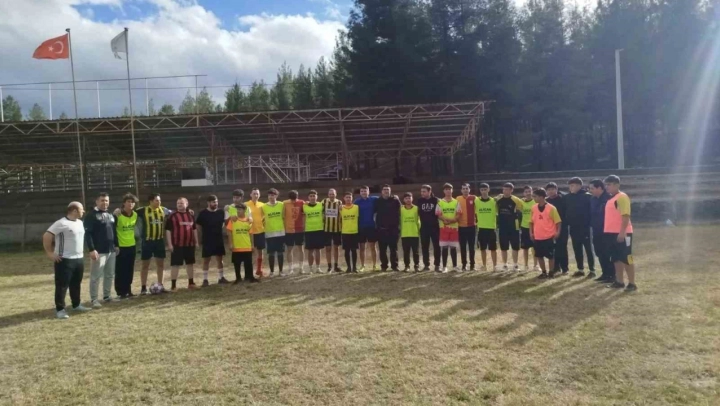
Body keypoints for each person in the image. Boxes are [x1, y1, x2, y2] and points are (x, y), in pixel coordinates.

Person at [44, 202, 91, 319]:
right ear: (74, 210)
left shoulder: (80, 222)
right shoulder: (61, 223)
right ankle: (60, 309)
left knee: (76, 283)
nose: (83, 211)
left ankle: (76, 304)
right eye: (81, 209)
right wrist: (50, 253)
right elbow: (47, 236)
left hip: (78, 259)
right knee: (62, 285)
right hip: (64, 259)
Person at [130, 193, 172, 295]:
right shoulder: (142, 210)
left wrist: (189, 211)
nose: (159, 202)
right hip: (147, 242)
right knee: (145, 265)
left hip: (159, 241)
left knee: (160, 264)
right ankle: (143, 288)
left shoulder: (164, 210)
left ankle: (161, 285)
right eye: (157, 200)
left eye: (160, 200)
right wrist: (118, 211)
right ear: (151, 201)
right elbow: (129, 212)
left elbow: (175, 213)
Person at [603, 175, 637, 292]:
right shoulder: (611, 198)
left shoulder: (622, 197)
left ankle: (632, 283)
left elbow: (625, 215)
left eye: (609, 184)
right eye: (606, 185)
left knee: (626, 258)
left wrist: (622, 232)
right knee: (616, 258)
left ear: (616, 185)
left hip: (622, 233)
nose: (607, 187)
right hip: (611, 233)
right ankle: (619, 281)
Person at [84, 192, 117, 308]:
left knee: (109, 274)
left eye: (106, 200)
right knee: (96, 276)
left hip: (111, 250)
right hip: (99, 251)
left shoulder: (110, 215)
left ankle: (107, 296)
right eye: (102, 200)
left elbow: (113, 231)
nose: (105, 202)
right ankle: (94, 299)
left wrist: (116, 245)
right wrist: (92, 249)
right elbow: (87, 234)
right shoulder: (91, 215)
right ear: (97, 201)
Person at [165, 197, 199, 291]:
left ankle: (191, 283)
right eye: (178, 203)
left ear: (186, 204)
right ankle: (173, 286)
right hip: (177, 245)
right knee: (175, 264)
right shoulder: (172, 216)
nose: (179, 205)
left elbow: (194, 229)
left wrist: (196, 242)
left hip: (189, 244)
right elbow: (168, 230)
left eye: (181, 203)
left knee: (190, 263)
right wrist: (170, 244)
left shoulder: (190, 215)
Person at [196, 195, 229, 286]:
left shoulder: (220, 212)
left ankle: (221, 278)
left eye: (216, 202)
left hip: (218, 239)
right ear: (208, 203)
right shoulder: (203, 213)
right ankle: (205, 280)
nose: (216, 203)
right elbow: (198, 225)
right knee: (206, 260)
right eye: (214, 202)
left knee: (220, 259)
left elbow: (224, 223)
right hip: (207, 239)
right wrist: (203, 233)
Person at [565, 177, 595, 278]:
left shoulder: (587, 196)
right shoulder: (567, 197)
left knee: (588, 248)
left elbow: (592, 211)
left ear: (579, 186)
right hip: (573, 227)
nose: (571, 188)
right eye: (570, 186)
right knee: (577, 248)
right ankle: (580, 269)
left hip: (585, 227)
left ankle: (592, 270)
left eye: (573, 185)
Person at [529, 188, 562, 279]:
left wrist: (558, 232)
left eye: (535, 196)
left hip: (549, 236)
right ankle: (544, 272)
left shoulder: (551, 208)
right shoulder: (533, 208)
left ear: (541, 197)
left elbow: (558, 221)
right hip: (537, 236)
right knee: (539, 255)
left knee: (550, 256)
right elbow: (531, 222)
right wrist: (531, 233)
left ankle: (551, 272)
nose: (533, 198)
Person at [588, 179, 614, 283]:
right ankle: (605, 273)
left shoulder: (609, 198)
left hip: (607, 231)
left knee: (608, 252)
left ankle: (612, 275)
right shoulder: (593, 199)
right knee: (599, 252)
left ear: (599, 188)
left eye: (592, 188)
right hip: (596, 230)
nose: (590, 191)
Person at [114, 193, 138, 298]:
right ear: (124, 203)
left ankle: (128, 290)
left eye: (132, 202)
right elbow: (113, 230)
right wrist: (116, 244)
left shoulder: (135, 214)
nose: (130, 204)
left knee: (129, 269)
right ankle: (121, 292)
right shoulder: (117, 214)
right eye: (128, 201)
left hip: (131, 245)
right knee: (120, 270)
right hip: (121, 247)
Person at [226, 203, 257, 283]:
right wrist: (230, 243)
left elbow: (251, 234)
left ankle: (249, 277)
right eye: (237, 210)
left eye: (240, 209)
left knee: (248, 263)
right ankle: (238, 278)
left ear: (244, 210)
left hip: (247, 246)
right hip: (237, 247)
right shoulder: (233, 220)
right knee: (237, 263)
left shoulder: (248, 221)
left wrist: (252, 245)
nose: (238, 211)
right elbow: (229, 232)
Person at [496, 182, 523, 271]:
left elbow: (520, 210)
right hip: (503, 226)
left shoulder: (516, 200)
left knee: (515, 246)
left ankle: (515, 265)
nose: (505, 191)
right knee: (503, 247)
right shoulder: (498, 199)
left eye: (507, 189)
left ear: (511, 190)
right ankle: (505, 265)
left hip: (514, 226)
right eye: (504, 189)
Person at [374, 184, 401, 271]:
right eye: (384, 189)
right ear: (382, 191)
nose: (386, 191)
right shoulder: (378, 201)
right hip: (381, 229)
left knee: (394, 249)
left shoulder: (395, 200)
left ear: (390, 191)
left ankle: (394, 266)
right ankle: (384, 266)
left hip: (393, 229)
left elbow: (401, 211)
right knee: (382, 250)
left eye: (387, 189)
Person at [436, 183, 461, 272]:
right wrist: (445, 220)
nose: (448, 191)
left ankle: (455, 266)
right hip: (443, 228)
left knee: (453, 248)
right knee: (445, 248)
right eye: (446, 189)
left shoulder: (456, 202)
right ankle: (444, 267)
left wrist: (452, 221)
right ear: (444, 191)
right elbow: (438, 214)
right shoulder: (440, 202)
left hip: (454, 228)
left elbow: (459, 214)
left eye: (449, 189)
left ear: (452, 190)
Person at [262, 188, 286, 276]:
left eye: (272, 195)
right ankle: (272, 272)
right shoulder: (264, 206)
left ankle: (281, 271)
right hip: (269, 233)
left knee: (280, 252)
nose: (271, 197)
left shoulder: (281, 205)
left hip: (280, 233)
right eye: (269, 195)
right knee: (271, 253)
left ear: (276, 196)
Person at [546, 182, 569, 275]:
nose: (551, 191)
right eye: (549, 190)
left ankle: (565, 268)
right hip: (550, 227)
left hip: (562, 226)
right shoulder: (546, 201)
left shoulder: (563, 199)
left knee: (562, 247)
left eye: (552, 189)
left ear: (556, 189)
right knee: (553, 248)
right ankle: (556, 267)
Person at [416, 185, 440, 271]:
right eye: (421, 191)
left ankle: (437, 265)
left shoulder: (436, 200)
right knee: (424, 247)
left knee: (437, 246)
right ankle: (426, 265)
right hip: (424, 227)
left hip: (435, 227)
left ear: (429, 191)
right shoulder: (419, 201)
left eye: (424, 191)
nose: (422, 193)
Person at [475, 183, 498, 272]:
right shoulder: (476, 201)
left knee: (493, 249)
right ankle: (484, 266)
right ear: (480, 191)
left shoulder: (494, 201)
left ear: (488, 189)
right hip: (481, 228)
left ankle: (495, 266)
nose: (484, 191)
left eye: (485, 189)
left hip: (491, 228)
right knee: (483, 249)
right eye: (482, 190)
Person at [355, 185, 378, 271]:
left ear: (368, 192)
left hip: (371, 226)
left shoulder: (374, 199)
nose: (364, 193)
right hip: (361, 227)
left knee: (373, 246)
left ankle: (374, 265)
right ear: (360, 193)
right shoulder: (356, 202)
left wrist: (394, 196)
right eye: (362, 191)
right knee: (362, 247)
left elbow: (384, 197)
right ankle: (362, 265)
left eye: (365, 191)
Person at [456, 183, 478, 271]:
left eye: (466, 188)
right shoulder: (458, 199)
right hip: (461, 227)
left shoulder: (474, 198)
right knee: (463, 247)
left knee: (472, 247)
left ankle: (472, 265)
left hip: (471, 226)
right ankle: (464, 264)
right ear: (461, 190)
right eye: (463, 188)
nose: (465, 190)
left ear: (469, 189)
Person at [245, 188, 266, 278]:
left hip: (260, 231)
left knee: (260, 251)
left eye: (257, 194)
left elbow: (265, 217)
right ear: (250, 194)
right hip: (249, 232)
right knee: (250, 252)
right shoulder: (245, 205)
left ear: (259, 195)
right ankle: (249, 272)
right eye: (254, 193)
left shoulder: (263, 205)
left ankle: (259, 269)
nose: (256, 195)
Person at [283, 190, 305, 273]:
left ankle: (301, 268)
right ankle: (290, 269)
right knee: (289, 249)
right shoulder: (284, 203)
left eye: (295, 199)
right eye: (292, 199)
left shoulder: (302, 203)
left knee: (301, 249)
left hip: (299, 229)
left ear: (297, 197)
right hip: (289, 230)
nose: (293, 201)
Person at [303, 190, 325, 274]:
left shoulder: (321, 205)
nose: (312, 197)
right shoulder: (304, 206)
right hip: (309, 230)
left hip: (319, 229)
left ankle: (318, 268)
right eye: (311, 196)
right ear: (308, 197)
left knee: (318, 250)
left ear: (317, 196)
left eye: (314, 196)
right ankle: (310, 268)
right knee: (310, 250)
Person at [322, 188, 342, 273]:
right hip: (327, 229)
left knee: (336, 247)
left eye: (333, 194)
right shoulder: (324, 202)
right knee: (328, 248)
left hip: (337, 228)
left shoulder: (339, 202)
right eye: (330, 194)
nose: (331, 195)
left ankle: (336, 266)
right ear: (328, 194)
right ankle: (329, 266)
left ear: (336, 194)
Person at [519, 185, 539, 272]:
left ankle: (535, 265)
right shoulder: (521, 202)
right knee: (525, 248)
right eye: (526, 192)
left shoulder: (536, 202)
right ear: (524, 193)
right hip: (524, 227)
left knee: (535, 247)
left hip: (535, 227)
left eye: (529, 191)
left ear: (532, 191)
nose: (528, 193)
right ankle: (526, 265)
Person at [400, 192, 420, 272]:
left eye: (409, 198)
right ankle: (407, 266)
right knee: (406, 252)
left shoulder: (416, 208)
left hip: (414, 233)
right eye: (406, 198)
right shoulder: (401, 209)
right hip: (404, 234)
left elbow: (419, 220)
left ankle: (416, 266)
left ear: (412, 199)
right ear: (403, 200)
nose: (408, 200)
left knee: (416, 252)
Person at [340, 192, 359, 273]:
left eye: (349, 197)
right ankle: (348, 267)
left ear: (352, 198)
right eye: (346, 197)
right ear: (344, 198)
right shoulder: (341, 208)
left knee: (354, 250)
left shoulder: (356, 207)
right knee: (347, 251)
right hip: (345, 232)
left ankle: (354, 267)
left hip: (354, 231)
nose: (348, 199)